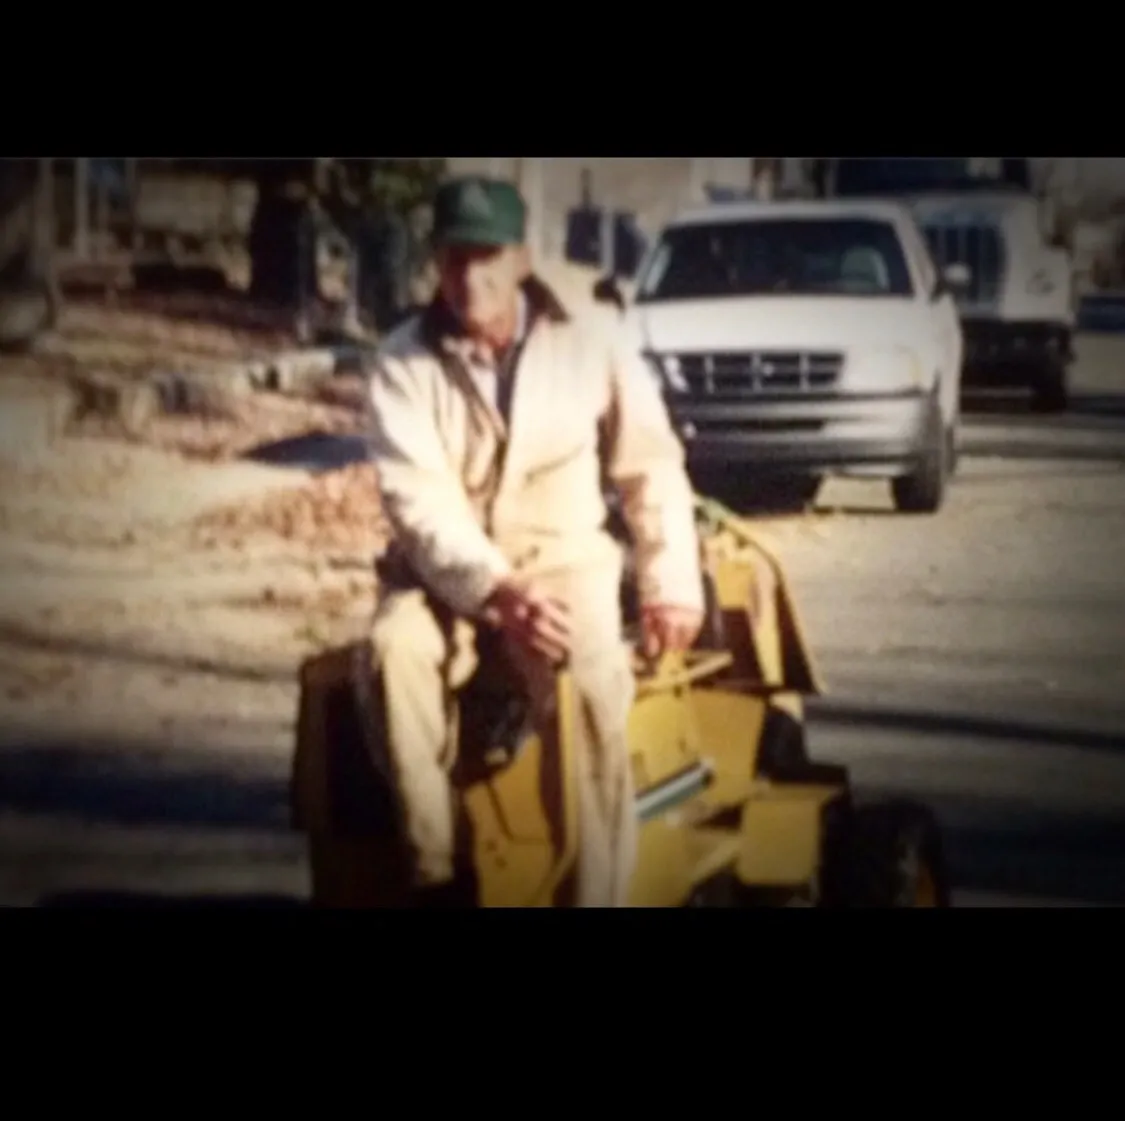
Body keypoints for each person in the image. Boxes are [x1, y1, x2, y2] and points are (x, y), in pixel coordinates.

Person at [366, 175, 704, 907]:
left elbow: (649, 462)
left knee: (587, 673)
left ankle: (597, 892)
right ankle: (435, 874)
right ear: (436, 262)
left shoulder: (590, 336)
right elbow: (416, 502)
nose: (469, 276)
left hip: (564, 562)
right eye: (454, 257)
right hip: (444, 577)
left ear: (522, 257)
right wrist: (495, 588)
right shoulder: (402, 360)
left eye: (486, 255)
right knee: (393, 652)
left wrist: (670, 582)